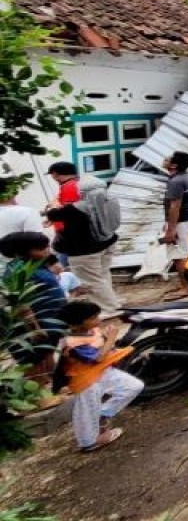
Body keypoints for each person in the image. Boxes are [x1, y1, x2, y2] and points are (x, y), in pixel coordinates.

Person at [55, 300, 142, 452]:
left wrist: (107, 339)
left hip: (102, 372)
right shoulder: (72, 343)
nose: (98, 320)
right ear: (76, 325)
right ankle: (89, 443)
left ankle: (103, 413)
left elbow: (104, 350)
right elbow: (98, 358)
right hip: (86, 381)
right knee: (87, 410)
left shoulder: (92, 331)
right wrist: (111, 338)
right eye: (93, 318)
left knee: (134, 386)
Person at [1, 231, 68, 409]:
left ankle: (51, 386)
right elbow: (21, 303)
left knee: (46, 353)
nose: (47, 250)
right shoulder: (18, 270)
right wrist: (35, 327)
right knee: (34, 360)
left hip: (50, 319)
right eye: (41, 248)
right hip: (34, 323)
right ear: (23, 250)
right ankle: (38, 398)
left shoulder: (36, 264)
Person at [44, 166, 119, 318]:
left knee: (90, 279)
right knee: (102, 275)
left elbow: (53, 213)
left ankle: (108, 308)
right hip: (107, 242)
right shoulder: (110, 199)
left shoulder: (79, 208)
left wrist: (51, 207)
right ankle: (112, 302)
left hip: (84, 250)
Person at [161, 152, 188, 292]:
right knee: (187, 253)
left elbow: (175, 207)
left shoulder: (176, 182)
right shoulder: (186, 177)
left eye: (169, 158)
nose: (165, 159)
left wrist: (170, 230)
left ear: (174, 165)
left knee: (179, 255)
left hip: (181, 222)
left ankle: (187, 286)